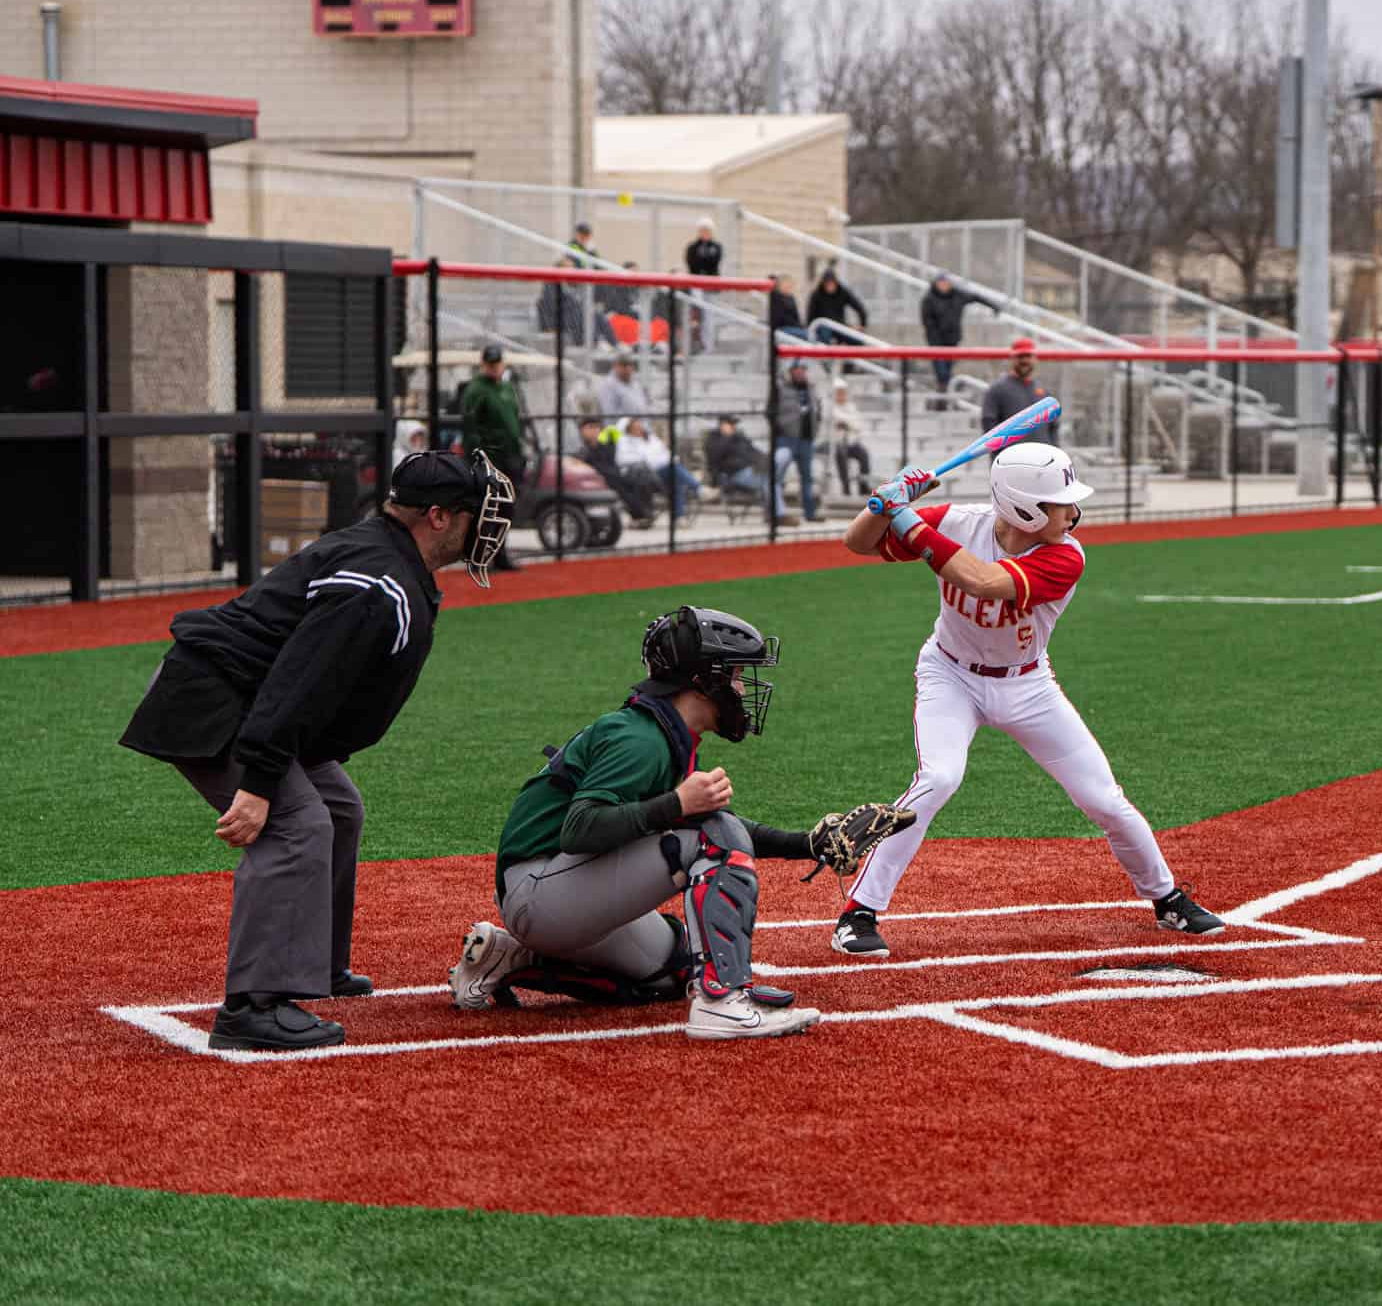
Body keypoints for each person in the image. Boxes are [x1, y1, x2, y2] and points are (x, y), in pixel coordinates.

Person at [118, 451, 514, 1051]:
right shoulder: (377, 582)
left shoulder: (388, 558)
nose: (485, 526)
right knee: (296, 824)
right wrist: (258, 784)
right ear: (436, 516)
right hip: (212, 703)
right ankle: (253, 1006)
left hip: (249, 702)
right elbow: (302, 681)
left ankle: (313, 964)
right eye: (473, 513)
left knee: (337, 809)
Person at [446, 606, 913, 1040]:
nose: (740, 689)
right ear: (701, 680)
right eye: (733, 675)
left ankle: (509, 959)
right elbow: (580, 828)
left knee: (672, 969)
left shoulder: (660, 731)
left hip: (553, 893)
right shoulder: (639, 739)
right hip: (541, 891)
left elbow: (700, 819)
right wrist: (673, 804)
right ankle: (720, 1001)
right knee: (713, 840)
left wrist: (807, 843)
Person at [830, 444, 1223, 958]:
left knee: (1104, 797)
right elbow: (857, 542)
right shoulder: (956, 520)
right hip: (949, 674)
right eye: (1059, 505)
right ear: (1024, 508)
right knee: (938, 778)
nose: (1072, 513)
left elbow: (982, 580)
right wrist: (881, 507)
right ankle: (858, 913)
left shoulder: (1066, 555)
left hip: (1027, 684)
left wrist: (908, 520)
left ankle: (1166, 897)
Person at [459, 346, 526, 571]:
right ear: (483, 364)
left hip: (510, 455)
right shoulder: (476, 390)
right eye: (490, 363)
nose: (495, 367)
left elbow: (514, 420)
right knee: (487, 508)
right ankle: (478, 556)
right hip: (491, 457)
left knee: (506, 508)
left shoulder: (507, 387)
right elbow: (470, 426)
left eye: (497, 363)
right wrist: (479, 457)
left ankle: (500, 554)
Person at [920, 273, 998, 391]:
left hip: (953, 339)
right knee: (942, 371)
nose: (944, 286)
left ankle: (944, 392)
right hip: (936, 341)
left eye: (946, 283)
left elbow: (976, 297)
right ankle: (943, 392)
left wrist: (994, 306)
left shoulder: (958, 295)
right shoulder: (929, 299)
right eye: (941, 283)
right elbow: (927, 321)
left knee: (948, 368)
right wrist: (933, 338)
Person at [576, 416, 659, 525]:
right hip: (594, 478)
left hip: (613, 475)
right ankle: (642, 513)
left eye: (597, 427)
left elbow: (611, 460)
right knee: (619, 483)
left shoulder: (606, 443)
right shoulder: (579, 446)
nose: (595, 430)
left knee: (637, 480)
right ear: (582, 430)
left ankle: (644, 513)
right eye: (590, 427)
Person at [614, 415, 702, 518]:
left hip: (662, 470)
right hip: (643, 475)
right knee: (674, 471)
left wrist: (661, 460)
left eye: (639, 426)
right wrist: (651, 460)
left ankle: (680, 515)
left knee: (676, 478)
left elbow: (666, 454)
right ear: (628, 430)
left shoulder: (652, 439)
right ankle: (698, 489)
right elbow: (624, 459)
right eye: (635, 428)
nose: (639, 429)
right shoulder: (624, 442)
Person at [705, 414, 788, 521]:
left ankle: (775, 514)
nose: (734, 426)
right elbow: (714, 458)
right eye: (731, 424)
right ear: (722, 425)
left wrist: (763, 460)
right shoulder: (713, 439)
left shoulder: (740, 437)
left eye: (734, 424)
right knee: (770, 480)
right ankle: (778, 515)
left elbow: (754, 451)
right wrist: (727, 437)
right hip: (733, 475)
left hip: (753, 470)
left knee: (784, 453)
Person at [981, 338, 1058, 446]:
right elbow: (989, 424)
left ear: (1035, 359)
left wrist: (1053, 450)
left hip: (1040, 457)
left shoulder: (1044, 391)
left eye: (1028, 356)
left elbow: (1053, 427)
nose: (1024, 361)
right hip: (1010, 459)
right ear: (1012, 359)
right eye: (1020, 357)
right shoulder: (997, 389)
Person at [772, 359, 822, 523]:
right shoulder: (781, 389)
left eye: (802, 369)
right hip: (786, 439)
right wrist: (781, 429)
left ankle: (810, 513)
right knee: (777, 476)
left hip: (806, 440)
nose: (800, 372)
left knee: (807, 477)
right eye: (796, 370)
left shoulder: (811, 389)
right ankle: (775, 512)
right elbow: (771, 413)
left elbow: (817, 412)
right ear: (790, 372)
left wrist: (815, 430)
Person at [685, 217, 722, 355]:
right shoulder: (693, 247)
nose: (705, 233)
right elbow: (692, 263)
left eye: (707, 230)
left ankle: (709, 346)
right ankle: (695, 344)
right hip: (696, 285)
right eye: (702, 230)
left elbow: (713, 263)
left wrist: (704, 257)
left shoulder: (716, 247)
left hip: (711, 287)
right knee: (697, 316)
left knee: (709, 317)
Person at [829, 378, 872, 497]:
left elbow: (858, 425)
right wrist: (848, 423)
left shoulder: (851, 406)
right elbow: (836, 419)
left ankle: (863, 485)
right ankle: (846, 487)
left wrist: (847, 423)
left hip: (851, 442)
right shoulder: (830, 407)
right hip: (835, 443)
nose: (841, 395)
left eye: (843, 392)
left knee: (864, 454)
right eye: (838, 392)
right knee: (840, 454)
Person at [805, 269, 868, 339]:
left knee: (857, 340)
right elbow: (810, 316)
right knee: (825, 333)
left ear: (836, 283)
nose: (830, 286)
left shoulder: (842, 292)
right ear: (823, 283)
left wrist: (862, 325)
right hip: (823, 327)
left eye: (832, 283)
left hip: (839, 326)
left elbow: (859, 308)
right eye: (827, 283)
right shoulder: (816, 295)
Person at [597, 353, 651, 420]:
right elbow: (610, 414)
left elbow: (644, 407)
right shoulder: (608, 386)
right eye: (623, 365)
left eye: (630, 365)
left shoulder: (636, 384)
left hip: (640, 425)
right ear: (615, 366)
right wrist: (630, 423)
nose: (627, 368)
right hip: (618, 428)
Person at [768, 274, 805, 341]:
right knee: (806, 335)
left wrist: (800, 326)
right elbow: (780, 318)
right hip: (782, 328)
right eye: (786, 285)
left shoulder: (791, 298)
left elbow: (796, 317)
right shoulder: (777, 298)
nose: (789, 287)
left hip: (792, 327)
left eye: (790, 285)